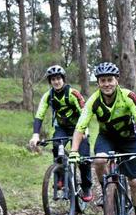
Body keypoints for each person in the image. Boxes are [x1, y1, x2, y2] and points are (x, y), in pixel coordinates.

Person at [69, 62, 136, 215]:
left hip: (128, 140)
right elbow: (80, 126)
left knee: (134, 182)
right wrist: (74, 151)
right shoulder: (94, 100)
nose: (107, 84)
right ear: (98, 83)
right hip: (106, 138)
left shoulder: (128, 97)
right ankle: (106, 190)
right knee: (99, 160)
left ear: (117, 80)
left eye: (110, 80)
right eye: (103, 81)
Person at [28, 65, 93, 202]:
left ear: (63, 79)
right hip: (62, 128)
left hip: (78, 127)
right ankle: (61, 177)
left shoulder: (73, 93)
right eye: (53, 79)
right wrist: (35, 134)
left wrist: (85, 130)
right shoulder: (48, 96)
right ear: (50, 82)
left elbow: (84, 111)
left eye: (58, 78)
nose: (56, 82)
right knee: (57, 146)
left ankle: (86, 187)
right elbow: (39, 115)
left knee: (83, 158)